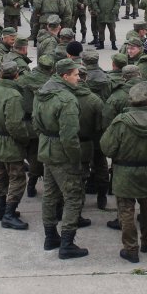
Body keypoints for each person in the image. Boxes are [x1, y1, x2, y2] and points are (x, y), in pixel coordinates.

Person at [100, 83, 147, 262]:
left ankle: (131, 249)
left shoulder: (120, 122)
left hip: (124, 172)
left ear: (130, 101)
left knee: (126, 211)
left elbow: (107, 148)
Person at [35, 58, 89, 258]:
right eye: (76, 75)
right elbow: (69, 137)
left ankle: (51, 237)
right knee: (73, 197)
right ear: (65, 76)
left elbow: (36, 123)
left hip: (46, 149)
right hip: (62, 154)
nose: (78, 78)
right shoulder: (67, 100)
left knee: (50, 194)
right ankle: (67, 243)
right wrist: (76, 160)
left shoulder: (43, 92)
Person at [0, 60, 31, 230]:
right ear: (16, 75)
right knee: (17, 179)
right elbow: (15, 125)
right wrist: (25, 139)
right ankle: (9, 214)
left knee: (0, 176)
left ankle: (1, 210)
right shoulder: (14, 96)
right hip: (11, 144)